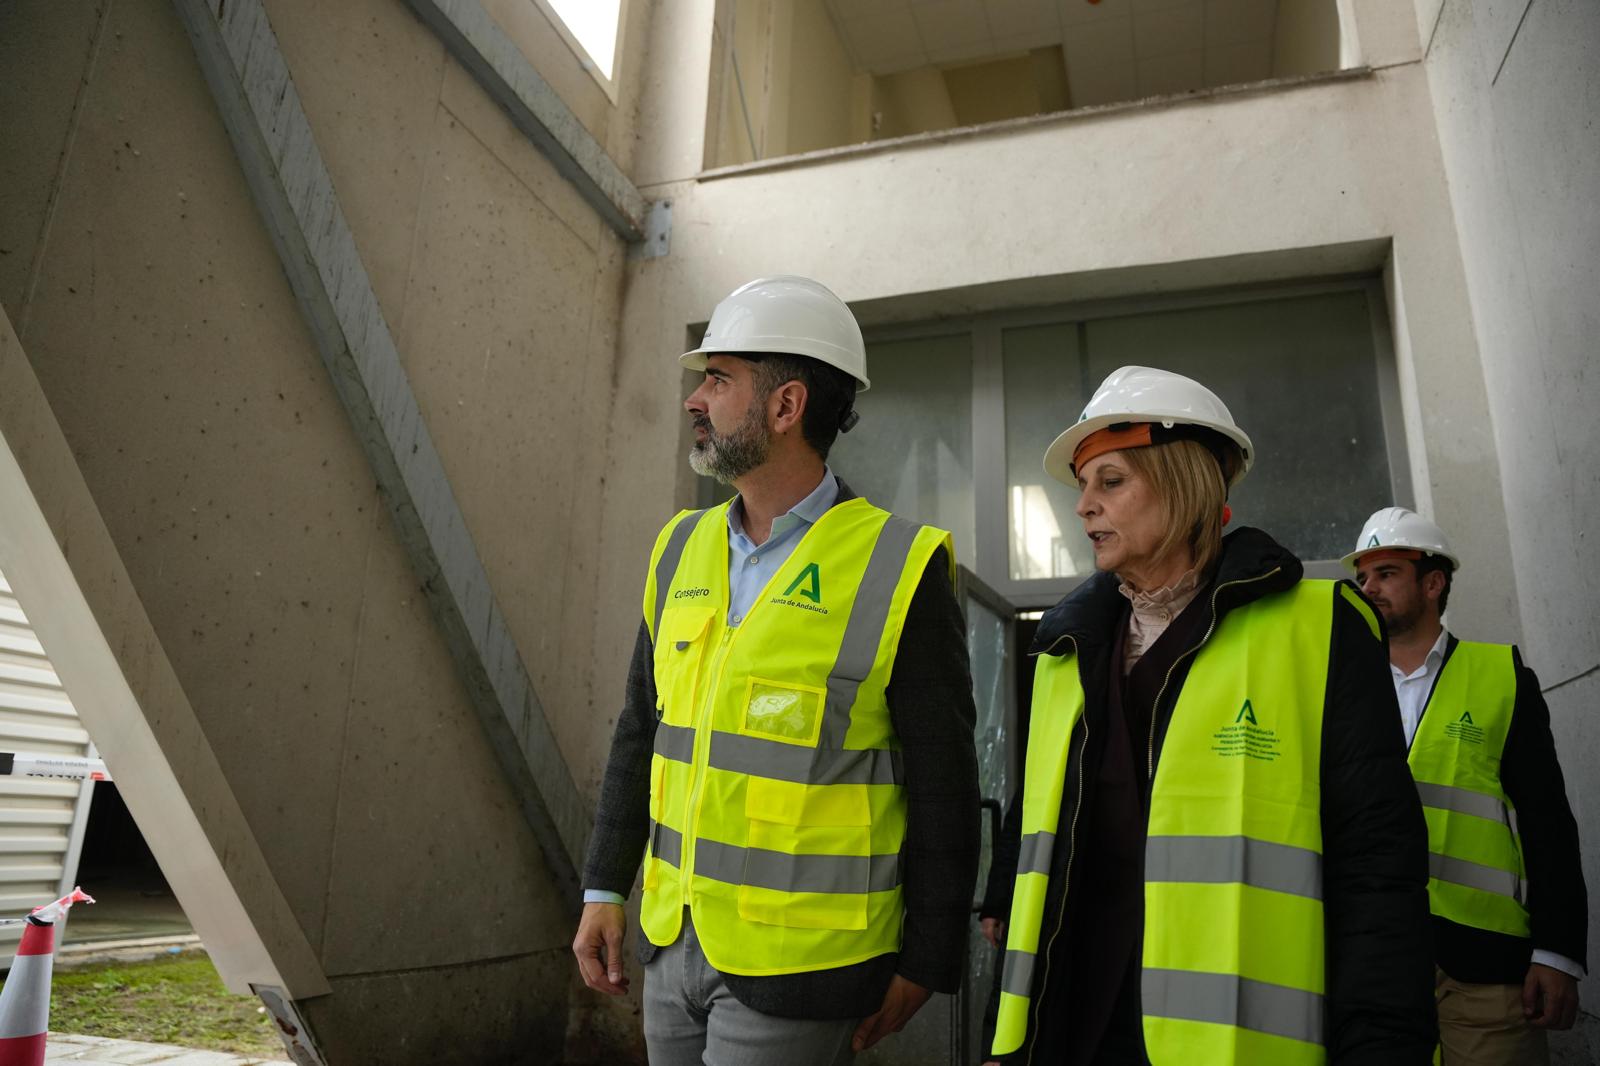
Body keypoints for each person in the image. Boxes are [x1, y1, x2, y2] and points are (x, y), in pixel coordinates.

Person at [572, 275, 980, 1066]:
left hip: (805, 970)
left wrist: (929, 959)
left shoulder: (898, 565)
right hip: (669, 945)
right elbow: (641, 731)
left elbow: (944, 781)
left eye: (719, 379)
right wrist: (602, 887)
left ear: (786, 407)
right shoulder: (678, 549)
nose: (695, 398)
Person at [988, 365, 1437, 1064]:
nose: (1083, 507)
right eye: (1082, 486)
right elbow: (1035, 857)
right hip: (1074, 1026)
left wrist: (1382, 1048)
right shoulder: (1064, 647)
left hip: (1235, 1040)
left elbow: (1376, 867)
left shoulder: (1321, 626)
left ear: (1185, 482)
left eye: (1110, 481)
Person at [1347, 507, 1588, 1065]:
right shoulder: (1339, 686)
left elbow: (1548, 821)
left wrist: (1556, 955)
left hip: (1485, 967)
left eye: (1385, 574)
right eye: (1362, 577)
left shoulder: (1500, 676)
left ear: (1433, 583)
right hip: (1377, 960)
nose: (1368, 588)